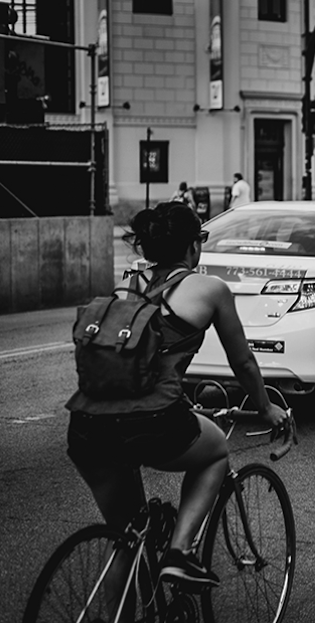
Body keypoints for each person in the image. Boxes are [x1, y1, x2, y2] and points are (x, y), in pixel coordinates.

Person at [65, 201, 289, 586]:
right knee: (216, 448)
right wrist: (267, 409)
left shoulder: (126, 286)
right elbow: (244, 364)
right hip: (152, 421)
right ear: (193, 246)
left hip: (87, 424)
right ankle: (179, 552)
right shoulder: (209, 289)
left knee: (127, 537)